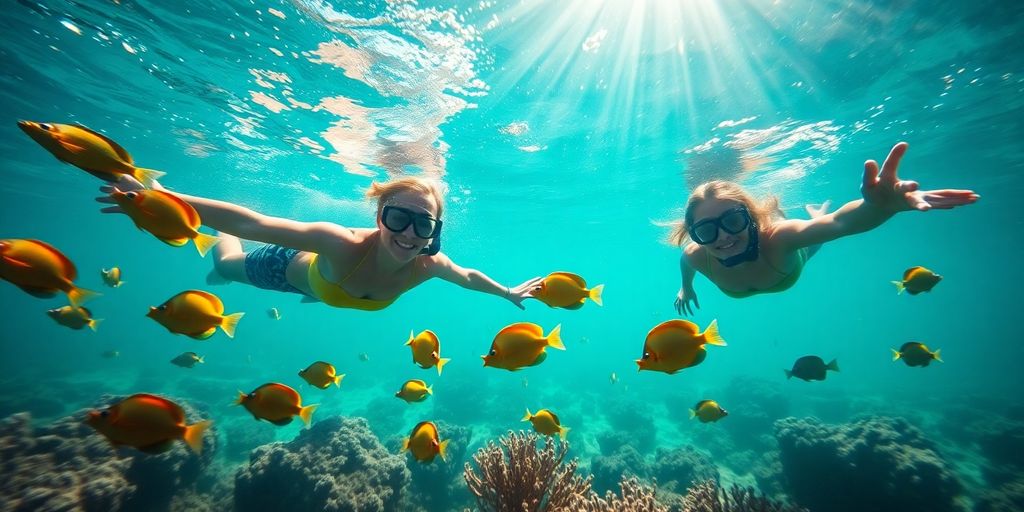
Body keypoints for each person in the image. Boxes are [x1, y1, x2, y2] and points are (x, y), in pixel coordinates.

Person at [97, 175, 543, 311]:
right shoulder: (340, 242)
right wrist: (155, 198)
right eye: (397, 218)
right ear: (378, 217)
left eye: (423, 225)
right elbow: (255, 222)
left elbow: (466, 276)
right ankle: (220, 245)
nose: (409, 234)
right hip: (283, 269)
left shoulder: (429, 265)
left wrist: (506, 291)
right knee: (228, 266)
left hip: (324, 291)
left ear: (436, 231)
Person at [670, 142, 979, 315]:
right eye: (707, 231)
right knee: (810, 230)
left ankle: (793, 216)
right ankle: (806, 218)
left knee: (814, 240)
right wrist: (687, 286)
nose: (723, 236)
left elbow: (841, 222)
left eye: (734, 221)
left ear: (751, 217)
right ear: (694, 234)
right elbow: (685, 261)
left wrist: (879, 206)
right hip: (779, 263)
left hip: (794, 253)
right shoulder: (696, 255)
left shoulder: (782, 238)